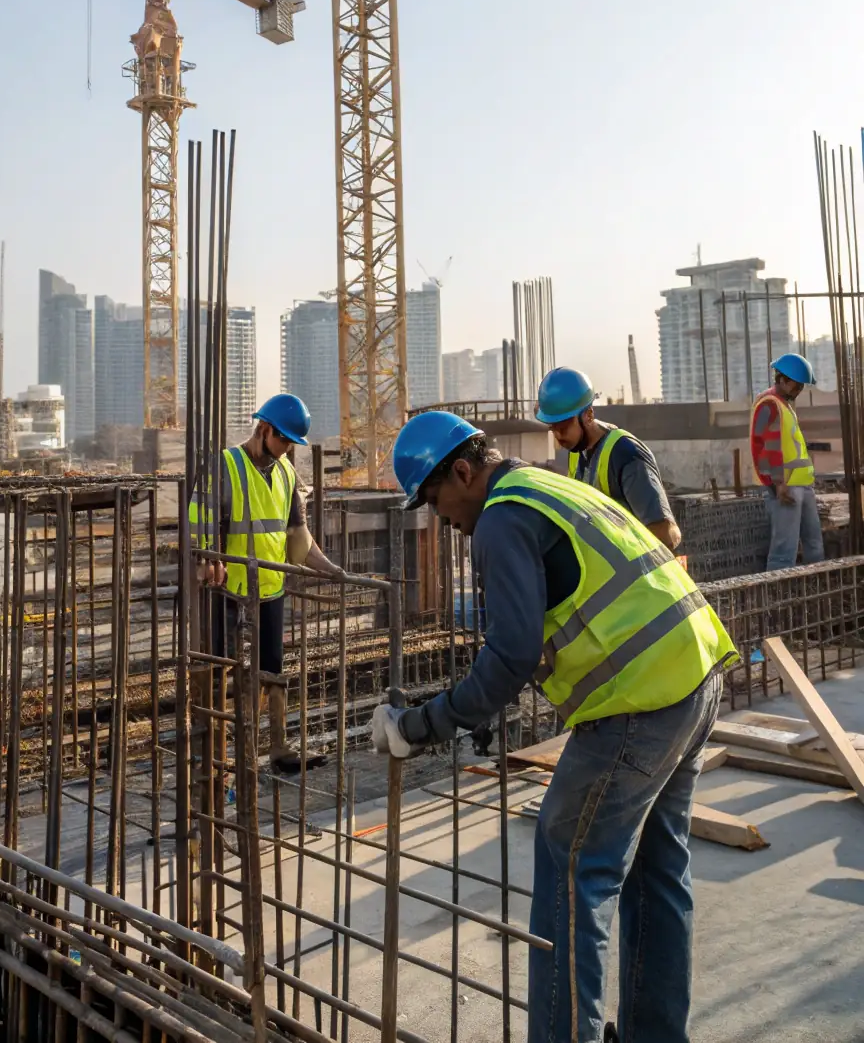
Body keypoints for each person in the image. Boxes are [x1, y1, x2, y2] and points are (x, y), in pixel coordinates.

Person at [372, 410, 737, 1043]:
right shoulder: (550, 486)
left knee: (571, 870)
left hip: (639, 703)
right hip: (697, 675)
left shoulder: (500, 518)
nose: (441, 519)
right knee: (657, 871)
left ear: (462, 471)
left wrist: (421, 724)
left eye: (435, 499)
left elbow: (510, 654)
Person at [190, 393, 341, 771]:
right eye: (284, 440)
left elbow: (297, 537)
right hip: (225, 589)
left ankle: (278, 748)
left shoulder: (288, 473)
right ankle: (214, 757)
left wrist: (332, 570)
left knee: (272, 670)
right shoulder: (224, 465)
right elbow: (199, 521)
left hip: (270, 588)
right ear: (264, 429)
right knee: (217, 668)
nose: (287, 449)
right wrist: (209, 559)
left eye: (292, 443)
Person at [535, 365, 681, 550]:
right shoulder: (576, 453)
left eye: (563, 427)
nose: (557, 436)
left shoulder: (626, 455)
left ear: (588, 415)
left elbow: (667, 534)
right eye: (552, 428)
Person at [750, 353, 824, 571]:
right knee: (785, 549)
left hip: (801, 484)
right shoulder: (770, 404)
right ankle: (778, 597)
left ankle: (817, 587)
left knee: (814, 544)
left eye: (801, 386)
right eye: (796, 385)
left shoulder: (784, 404)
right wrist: (778, 483)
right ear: (782, 379)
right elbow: (769, 446)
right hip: (786, 486)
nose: (799, 390)